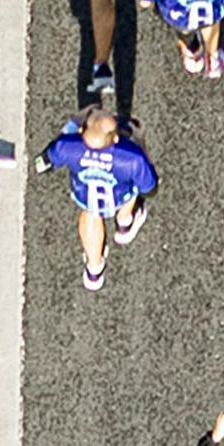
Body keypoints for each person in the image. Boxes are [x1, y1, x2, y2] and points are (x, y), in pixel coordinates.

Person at [45, 79, 156, 290]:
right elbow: (149, 188)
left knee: (90, 214)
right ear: (115, 139)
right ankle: (125, 222)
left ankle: (94, 269)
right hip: (119, 194)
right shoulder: (130, 157)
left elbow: (44, 163)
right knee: (134, 186)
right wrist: (140, 142)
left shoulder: (67, 147)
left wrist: (71, 123)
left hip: (85, 195)